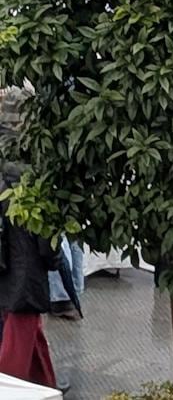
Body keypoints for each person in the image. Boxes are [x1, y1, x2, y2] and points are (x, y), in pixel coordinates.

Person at [0, 163, 63, 388]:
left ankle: (45, 384)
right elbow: (48, 248)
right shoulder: (35, 201)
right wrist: (55, 261)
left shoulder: (3, 194)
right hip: (26, 285)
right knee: (16, 352)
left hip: (7, 281)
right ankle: (11, 391)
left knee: (31, 338)